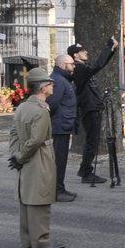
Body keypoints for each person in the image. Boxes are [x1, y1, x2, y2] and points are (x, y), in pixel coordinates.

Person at [9, 68, 62, 248]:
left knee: (26, 198)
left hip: (24, 156)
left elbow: (14, 133)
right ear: (42, 88)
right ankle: (41, 241)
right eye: (49, 83)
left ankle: (28, 240)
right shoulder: (41, 110)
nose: (52, 86)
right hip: (39, 156)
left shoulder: (23, 106)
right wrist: (21, 156)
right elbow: (36, 140)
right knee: (40, 198)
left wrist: (15, 155)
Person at [70, 38, 117, 185]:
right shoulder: (79, 68)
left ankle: (85, 170)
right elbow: (98, 65)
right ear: (76, 55)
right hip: (89, 108)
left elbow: (98, 64)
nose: (86, 52)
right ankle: (86, 172)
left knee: (93, 140)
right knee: (92, 141)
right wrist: (109, 47)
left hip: (92, 106)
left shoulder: (82, 67)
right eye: (83, 51)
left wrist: (111, 50)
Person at [48, 53, 78, 203]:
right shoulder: (58, 81)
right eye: (71, 64)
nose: (73, 66)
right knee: (58, 160)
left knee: (61, 159)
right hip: (59, 126)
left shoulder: (63, 79)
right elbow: (52, 104)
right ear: (62, 65)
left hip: (63, 125)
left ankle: (60, 188)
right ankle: (56, 191)